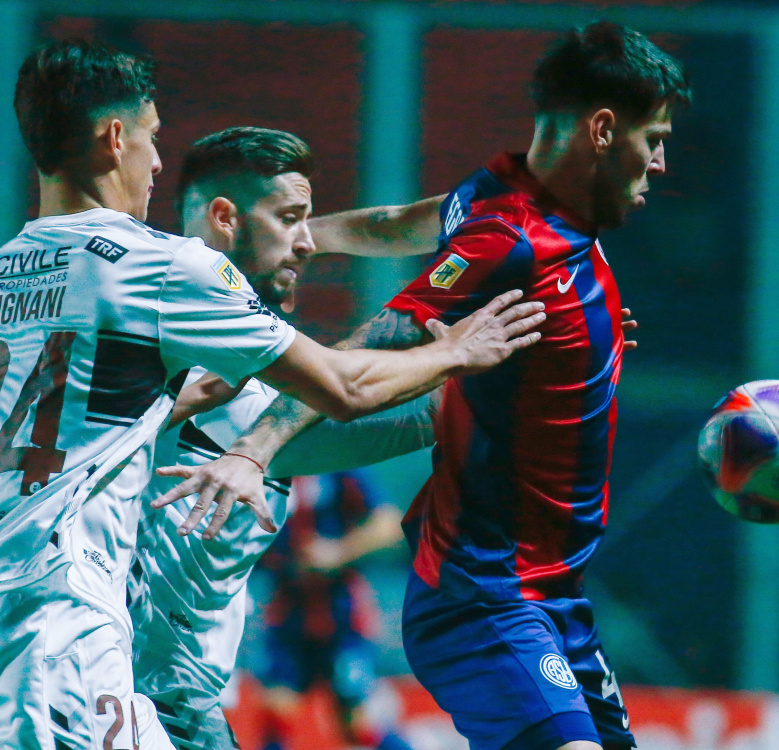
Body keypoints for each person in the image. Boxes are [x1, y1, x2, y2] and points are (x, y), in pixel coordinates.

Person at [0, 38, 543, 750]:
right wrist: (461, 351)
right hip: (76, 637)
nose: (157, 161)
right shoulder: (163, 273)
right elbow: (347, 388)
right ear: (114, 138)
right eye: (152, 137)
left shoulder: (16, 274)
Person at [159, 21, 688, 750]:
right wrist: (256, 447)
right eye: (652, 138)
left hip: (554, 596)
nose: (660, 162)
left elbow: (398, 223)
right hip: (486, 592)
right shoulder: (511, 236)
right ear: (602, 130)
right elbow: (361, 357)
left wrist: (309, 235)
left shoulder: (499, 198)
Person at [130, 126, 445, 750]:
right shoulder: (192, 359)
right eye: (290, 218)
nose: (307, 242)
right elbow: (353, 399)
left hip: (167, 683)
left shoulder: (165, 332)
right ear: (225, 219)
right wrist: (487, 361)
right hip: (134, 689)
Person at [250, 470, 415, 750]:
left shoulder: (341, 468)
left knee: (359, 724)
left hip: (342, 616)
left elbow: (388, 523)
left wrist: (339, 551)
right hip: (287, 615)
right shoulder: (270, 468)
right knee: (277, 714)